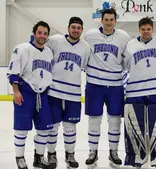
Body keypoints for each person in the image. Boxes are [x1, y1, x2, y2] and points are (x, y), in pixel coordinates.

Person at [83, 8, 130, 168]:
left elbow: (126, 59)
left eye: (111, 19)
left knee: (115, 120)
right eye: (106, 19)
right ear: (101, 20)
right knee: (94, 120)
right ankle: (93, 151)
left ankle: (113, 151)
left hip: (115, 85)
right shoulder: (90, 35)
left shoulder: (124, 37)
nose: (108, 22)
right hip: (94, 84)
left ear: (115, 21)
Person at [123, 17, 156, 169]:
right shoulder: (130, 44)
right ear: (139, 30)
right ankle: (137, 156)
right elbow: (125, 65)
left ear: (152, 29)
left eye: (148, 29)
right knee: (134, 125)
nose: (145, 32)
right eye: (143, 29)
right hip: (135, 90)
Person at [46, 17, 91, 169]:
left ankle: (69, 154)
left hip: (73, 93)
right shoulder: (55, 41)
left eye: (78, 28)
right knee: (53, 126)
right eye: (73, 27)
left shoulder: (85, 47)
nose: (75, 30)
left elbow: (83, 66)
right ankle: (51, 154)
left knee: (70, 126)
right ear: (68, 28)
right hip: (54, 91)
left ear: (82, 30)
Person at [7, 21, 53, 169]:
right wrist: (16, 91)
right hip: (25, 93)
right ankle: (20, 158)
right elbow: (13, 72)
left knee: (44, 128)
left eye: (45, 33)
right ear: (34, 33)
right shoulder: (22, 48)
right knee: (21, 128)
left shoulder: (48, 52)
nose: (42, 36)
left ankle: (38, 158)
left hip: (43, 94)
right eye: (39, 33)